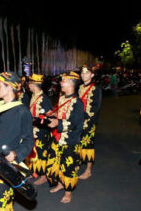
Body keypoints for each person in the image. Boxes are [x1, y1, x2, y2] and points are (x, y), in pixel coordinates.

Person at [0, 72, 34, 211]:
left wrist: (16, 154)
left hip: (7, 167)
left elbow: (29, 141)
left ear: (10, 87)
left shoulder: (22, 112)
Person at [46, 71, 84, 203]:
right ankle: (61, 184)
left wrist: (58, 123)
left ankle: (68, 192)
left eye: (63, 81)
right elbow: (62, 113)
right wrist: (53, 114)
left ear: (71, 84)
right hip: (57, 138)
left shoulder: (77, 103)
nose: (61, 83)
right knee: (55, 163)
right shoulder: (62, 98)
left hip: (69, 141)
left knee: (68, 167)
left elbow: (74, 123)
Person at [26, 74, 53, 185]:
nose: (28, 85)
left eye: (30, 83)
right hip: (33, 130)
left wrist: (38, 120)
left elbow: (49, 117)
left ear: (34, 85)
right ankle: (35, 171)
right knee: (34, 151)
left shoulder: (44, 99)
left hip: (42, 131)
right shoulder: (33, 95)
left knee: (42, 153)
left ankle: (43, 176)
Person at [78, 66, 102, 180]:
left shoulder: (95, 89)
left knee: (88, 145)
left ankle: (88, 170)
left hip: (89, 122)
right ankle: (77, 164)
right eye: (82, 73)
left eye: (87, 73)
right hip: (78, 121)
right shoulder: (80, 87)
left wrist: (85, 119)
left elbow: (95, 108)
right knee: (78, 144)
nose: (83, 75)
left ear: (92, 75)